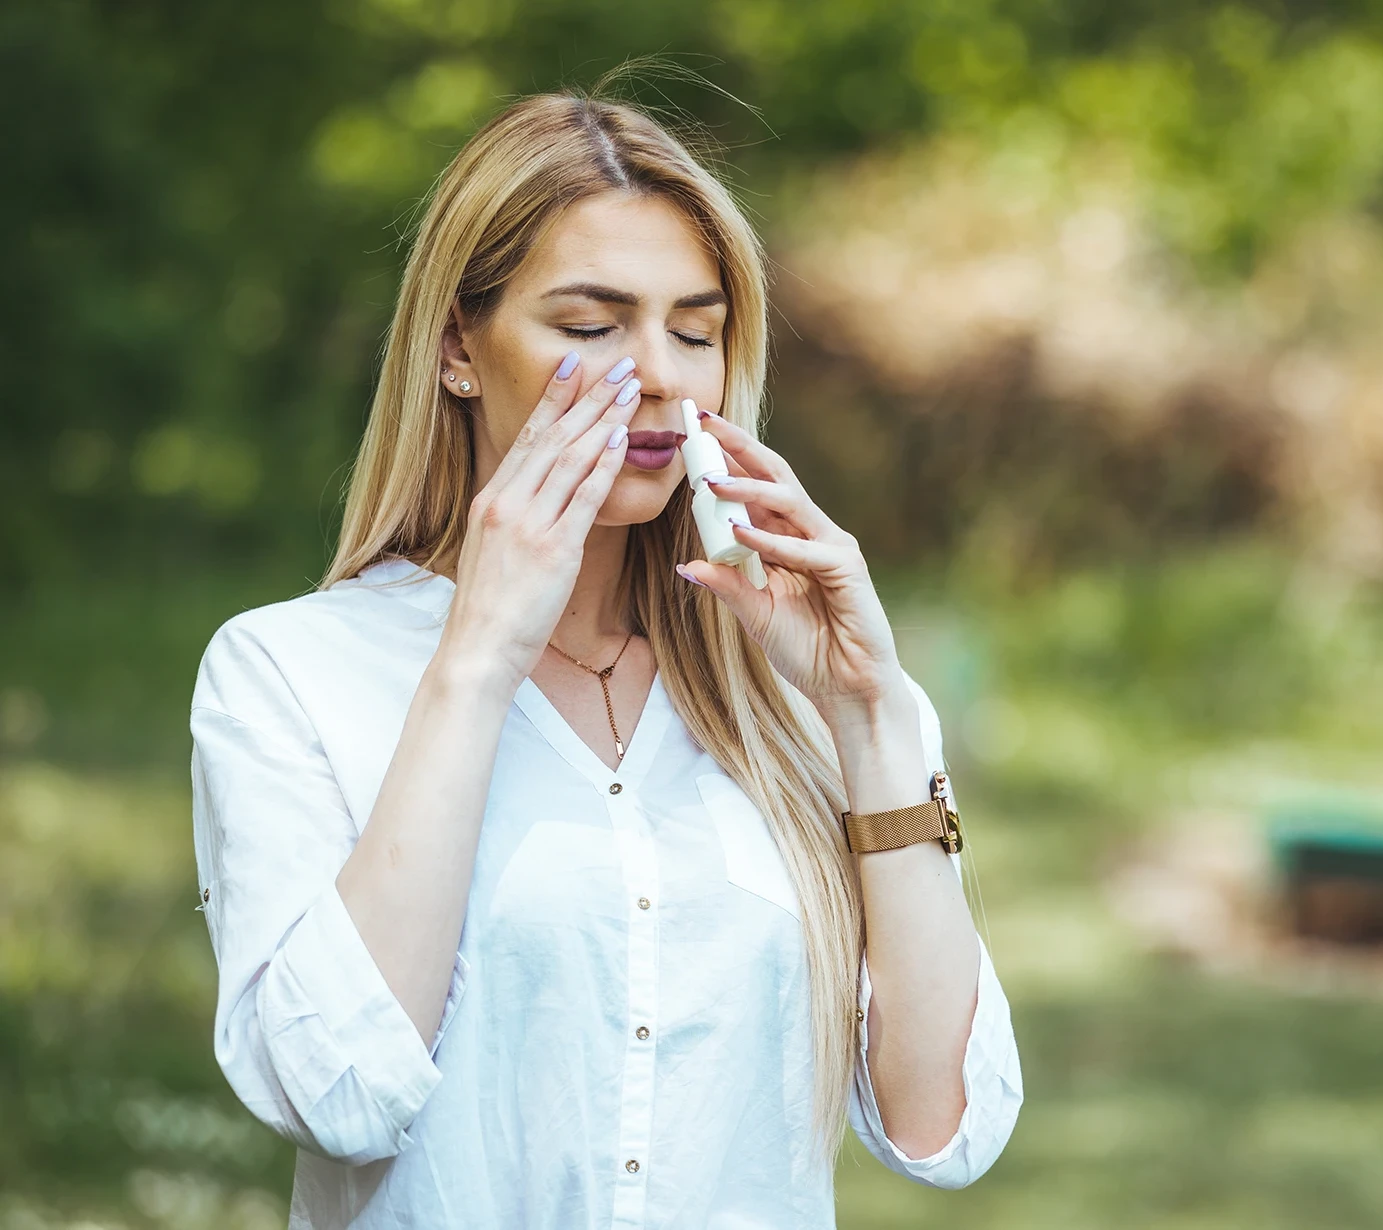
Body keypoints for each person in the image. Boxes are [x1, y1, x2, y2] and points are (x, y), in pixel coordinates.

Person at [189, 91, 1022, 1229]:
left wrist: (872, 719)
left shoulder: (802, 694)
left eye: (694, 329)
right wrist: (478, 658)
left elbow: (942, 1127)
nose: (661, 375)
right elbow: (334, 1093)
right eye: (590, 326)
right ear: (456, 350)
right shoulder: (290, 674)